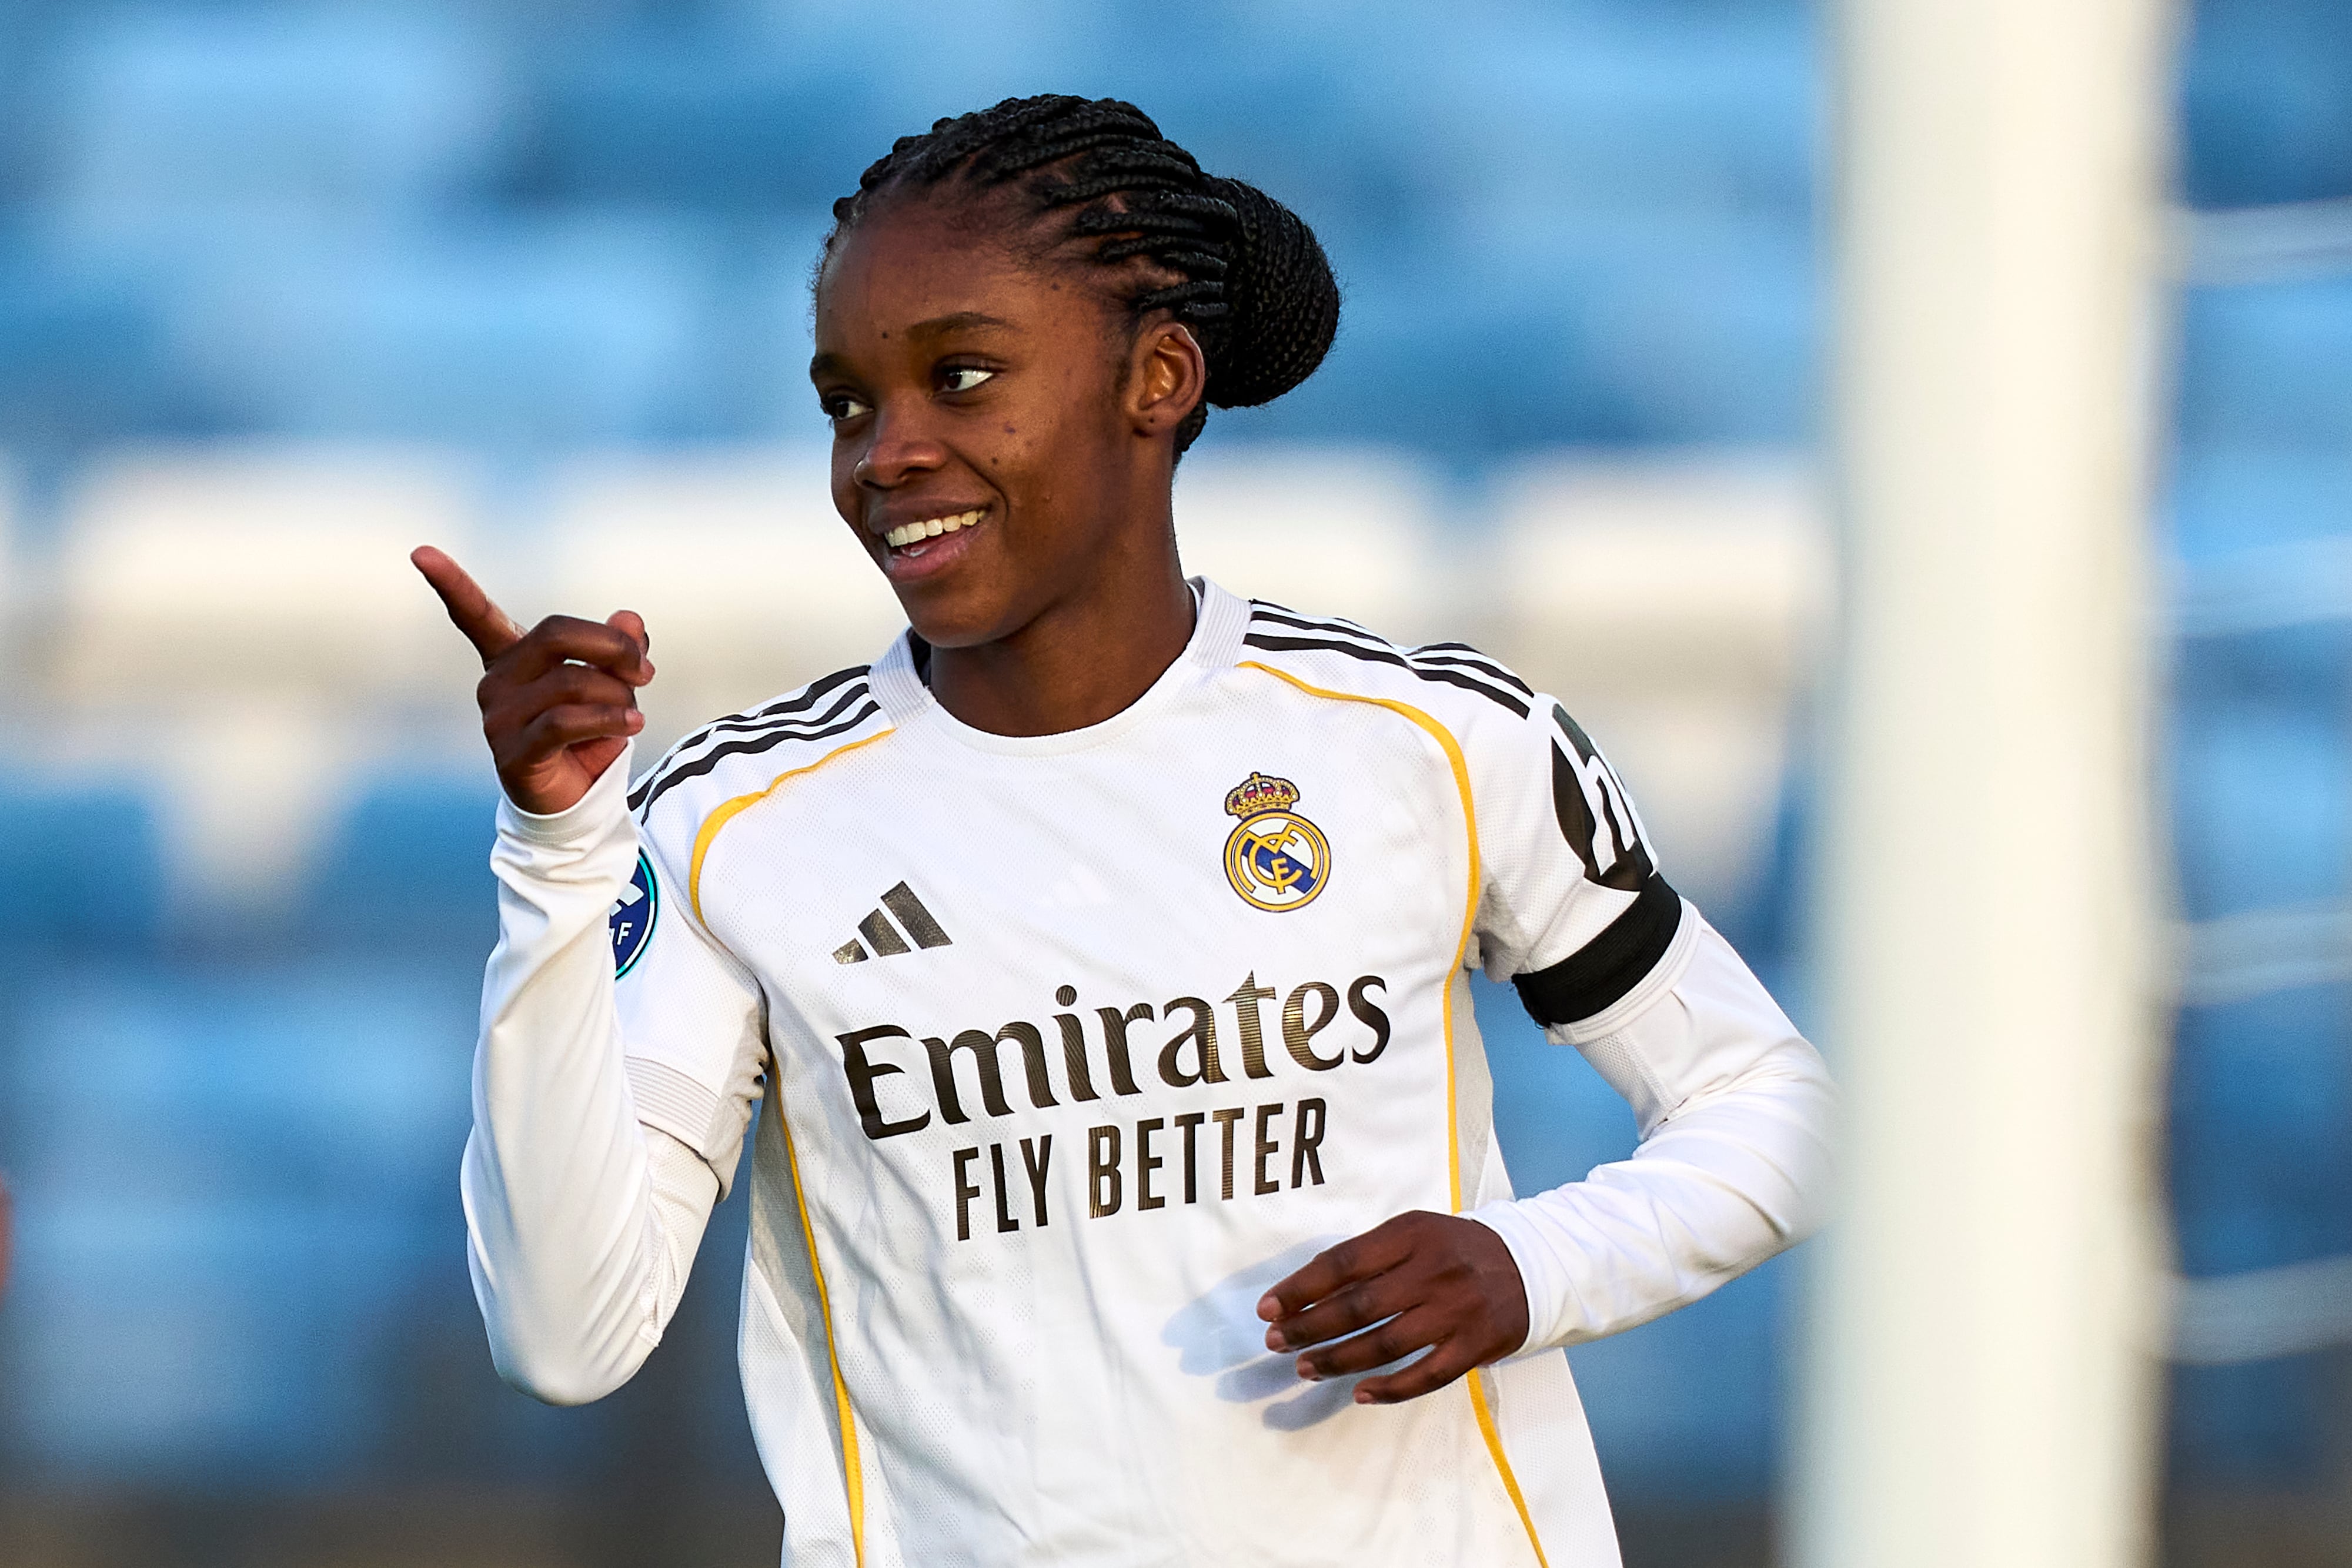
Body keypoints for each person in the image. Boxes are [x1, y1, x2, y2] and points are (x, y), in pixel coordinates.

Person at [416, 95, 1833, 1567]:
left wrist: (1531, 1265)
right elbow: (565, 1331)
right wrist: (555, 856)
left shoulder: (1432, 741)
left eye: (959, 378)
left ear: (1155, 378)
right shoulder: (727, 827)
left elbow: (1773, 1109)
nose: (885, 452)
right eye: (848, 401)